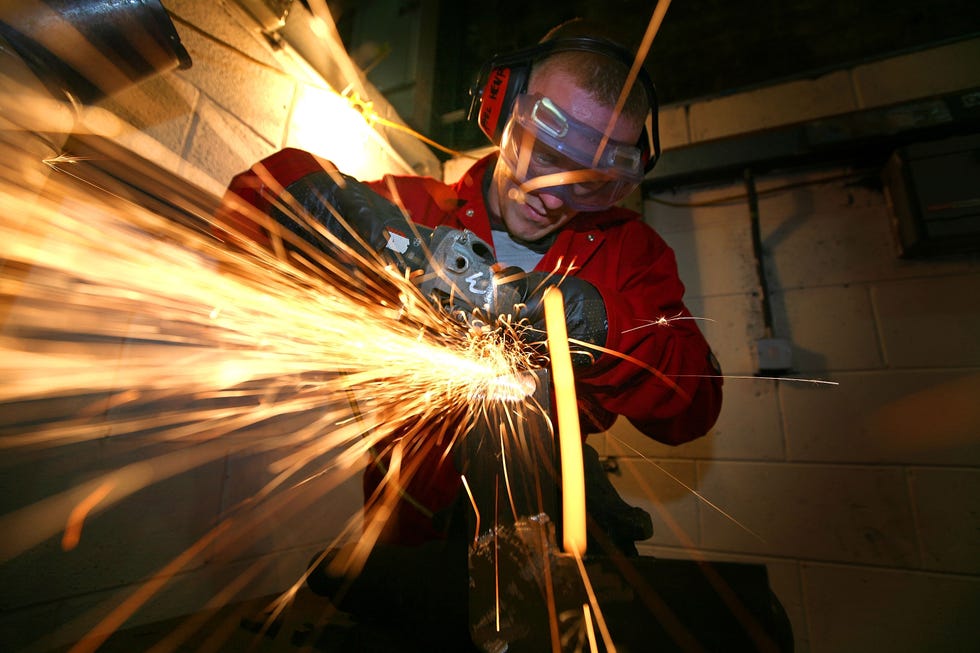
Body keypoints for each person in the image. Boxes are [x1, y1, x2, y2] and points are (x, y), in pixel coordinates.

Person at [217, 16, 722, 646]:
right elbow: (249, 208)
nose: (553, 194)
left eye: (589, 183)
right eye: (545, 154)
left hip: (551, 539)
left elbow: (694, 403)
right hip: (409, 538)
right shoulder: (412, 208)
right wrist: (339, 214)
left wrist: (596, 320)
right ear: (501, 107)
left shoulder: (630, 254)